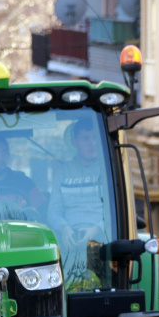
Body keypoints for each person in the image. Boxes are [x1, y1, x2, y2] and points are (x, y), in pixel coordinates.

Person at [47, 119, 113, 287]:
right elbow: (53, 212)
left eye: (94, 138)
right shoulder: (62, 172)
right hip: (69, 240)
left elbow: (114, 211)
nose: (91, 144)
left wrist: (96, 228)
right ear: (75, 142)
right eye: (85, 139)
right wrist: (64, 228)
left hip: (101, 240)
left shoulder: (108, 170)